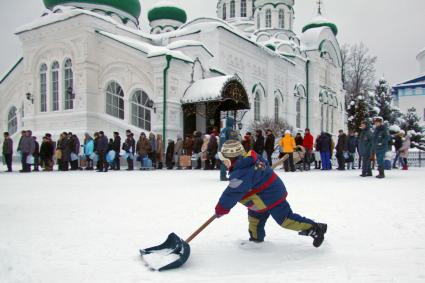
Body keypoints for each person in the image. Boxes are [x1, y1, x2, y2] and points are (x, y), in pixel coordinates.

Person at [215, 140, 327, 247]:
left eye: (225, 160)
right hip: (257, 201)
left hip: (272, 197)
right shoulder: (251, 159)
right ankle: (256, 240)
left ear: (232, 159)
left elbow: (231, 193)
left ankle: (316, 229)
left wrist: (221, 208)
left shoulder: (241, 173)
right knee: (255, 221)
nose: (223, 163)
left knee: (285, 220)